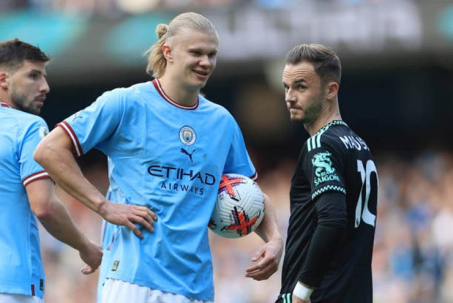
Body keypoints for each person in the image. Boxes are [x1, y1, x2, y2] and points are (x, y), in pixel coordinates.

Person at [34, 12, 283, 303]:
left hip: (195, 286)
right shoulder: (127, 103)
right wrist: (104, 206)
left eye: (212, 54)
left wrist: (275, 238)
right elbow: (49, 150)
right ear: (169, 52)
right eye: (196, 53)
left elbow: (249, 193)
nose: (206, 62)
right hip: (131, 279)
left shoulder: (222, 122)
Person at [0, 39, 103, 303]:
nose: (45, 87)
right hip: (12, 285)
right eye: (33, 75)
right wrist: (85, 246)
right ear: (3, 79)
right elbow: (44, 205)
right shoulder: (28, 127)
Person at [277, 44, 379, 303]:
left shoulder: (320, 144)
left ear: (331, 90)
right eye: (286, 87)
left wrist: (300, 293)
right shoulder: (360, 145)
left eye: (300, 87)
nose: (289, 97)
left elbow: (332, 219)